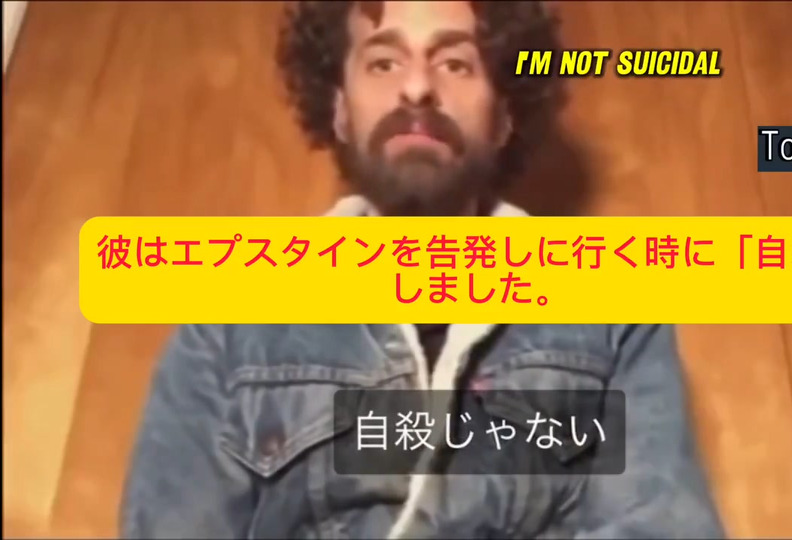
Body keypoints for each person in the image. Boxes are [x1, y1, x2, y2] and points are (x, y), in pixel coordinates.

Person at [120, 1, 725, 538]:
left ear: (504, 117)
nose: (416, 88)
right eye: (383, 62)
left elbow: (663, 528)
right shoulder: (230, 315)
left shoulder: (614, 309)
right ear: (339, 109)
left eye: (456, 64)